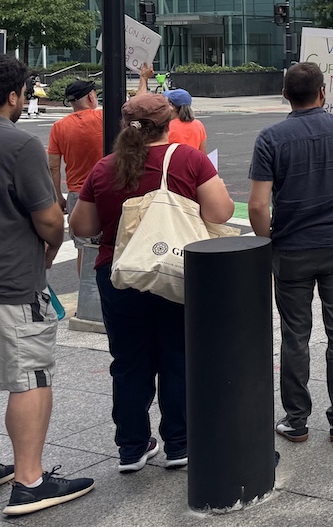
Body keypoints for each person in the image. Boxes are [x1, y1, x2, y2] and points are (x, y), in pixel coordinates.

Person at [72, 92, 233, 474]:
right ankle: (179, 441)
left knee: (127, 362)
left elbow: (82, 226)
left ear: (126, 126)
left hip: (119, 274)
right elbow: (221, 211)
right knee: (178, 356)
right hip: (175, 271)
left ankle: (131, 446)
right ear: (169, 122)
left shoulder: (105, 167)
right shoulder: (188, 159)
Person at [248, 63, 333, 443]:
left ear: (285, 95)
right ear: (323, 92)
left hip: (293, 248)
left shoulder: (271, 138)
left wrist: (268, 238)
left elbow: (257, 205)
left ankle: (296, 418)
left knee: (295, 334)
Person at [0, 55, 94, 516]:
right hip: (12, 279)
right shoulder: (19, 145)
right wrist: (52, 246)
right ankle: (30, 481)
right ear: (14, 96)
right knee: (31, 377)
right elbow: (48, 218)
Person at [47, 80, 104, 272]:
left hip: (78, 195)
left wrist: (58, 198)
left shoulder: (59, 127)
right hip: (107, 190)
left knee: (83, 248)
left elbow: (54, 166)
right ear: (90, 97)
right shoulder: (104, 118)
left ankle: (86, 295)